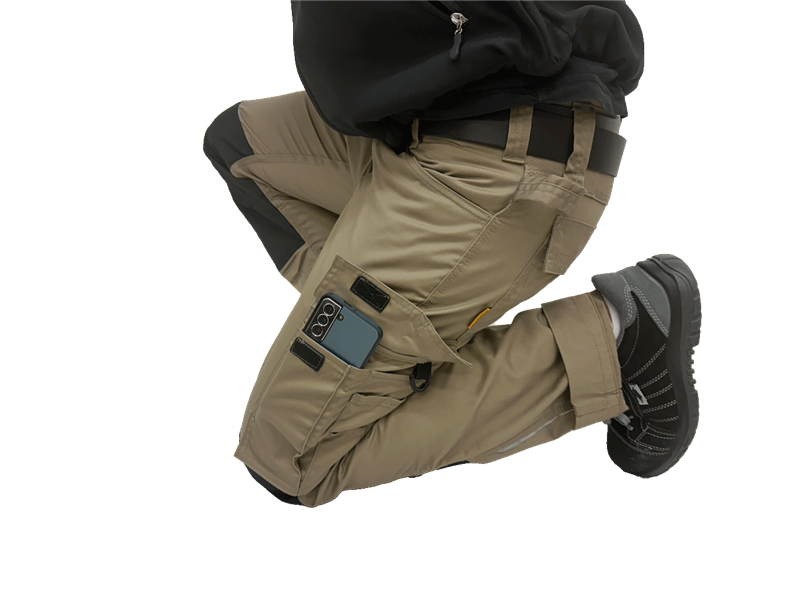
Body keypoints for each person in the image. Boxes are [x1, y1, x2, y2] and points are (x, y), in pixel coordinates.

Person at [203, 1, 700, 508]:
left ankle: (613, 337)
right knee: (241, 146)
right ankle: (385, 343)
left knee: (290, 460)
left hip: (494, 158)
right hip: (425, 119)